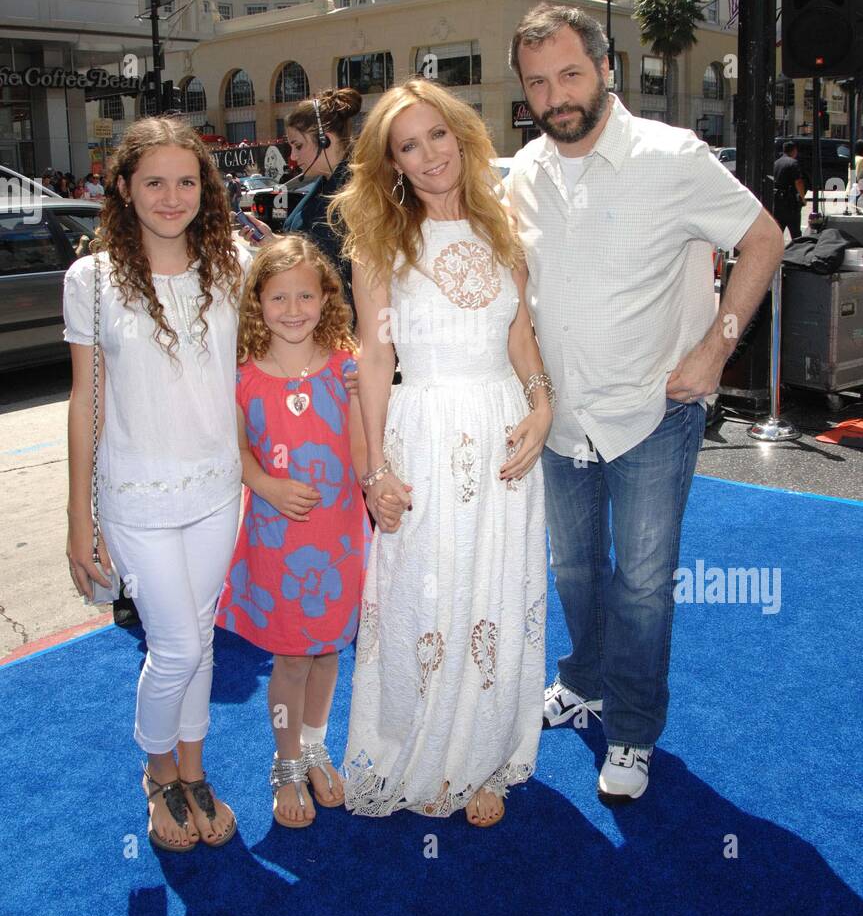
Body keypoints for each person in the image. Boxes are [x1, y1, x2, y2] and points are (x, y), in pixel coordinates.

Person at [506, 2, 785, 801]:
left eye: (567, 73)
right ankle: (584, 678)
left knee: (642, 582)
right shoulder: (524, 171)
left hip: (654, 413)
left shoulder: (673, 156)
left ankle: (630, 730)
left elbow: (763, 238)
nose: (555, 94)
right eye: (536, 82)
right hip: (562, 417)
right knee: (572, 568)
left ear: (604, 69)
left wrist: (715, 346)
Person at [330, 77, 552, 827]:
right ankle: (420, 745)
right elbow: (370, 359)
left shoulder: (505, 228)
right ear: (390, 162)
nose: (428, 156)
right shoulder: (379, 243)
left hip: (503, 429)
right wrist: (373, 470)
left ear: (461, 135)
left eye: (436, 136)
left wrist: (543, 401)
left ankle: (486, 756)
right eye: (406, 146)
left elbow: (519, 335)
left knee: (496, 589)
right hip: (422, 433)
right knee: (423, 594)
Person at [64, 115, 268, 853]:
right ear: (122, 188)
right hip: (135, 496)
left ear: (205, 188)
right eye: (154, 181)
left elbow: (273, 350)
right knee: (176, 647)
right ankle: (156, 773)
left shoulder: (235, 262)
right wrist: (76, 520)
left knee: (201, 642)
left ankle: (194, 769)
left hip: (217, 488)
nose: (172, 196)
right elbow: (86, 399)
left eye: (187, 181)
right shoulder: (90, 279)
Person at [215, 235, 371, 828]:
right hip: (279, 540)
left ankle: (314, 744)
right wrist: (269, 486)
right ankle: (285, 761)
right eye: (279, 297)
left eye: (306, 295)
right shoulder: (243, 376)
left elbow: (360, 452)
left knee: (329, 648)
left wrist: (377, 480)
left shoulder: (344, 366)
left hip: (337, 537)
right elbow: (239, 455)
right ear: (257, 302)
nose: (293, 308)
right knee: (291, 656)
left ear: (327, 297)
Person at [281, 87, 362, 318]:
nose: (293, 157)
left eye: (298, 145)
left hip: (341, 322)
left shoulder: (357, 191)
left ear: (325, 140)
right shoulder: (323, 185)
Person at [773, 140, 806, 240]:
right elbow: (798, 182)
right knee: (795, 232)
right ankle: (797, 253)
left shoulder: (776, 163)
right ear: (794, 150)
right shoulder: (793, 163)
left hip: (777, 200)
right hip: (790, 202)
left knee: (778, 230)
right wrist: (803, 198)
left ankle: (774, 253)